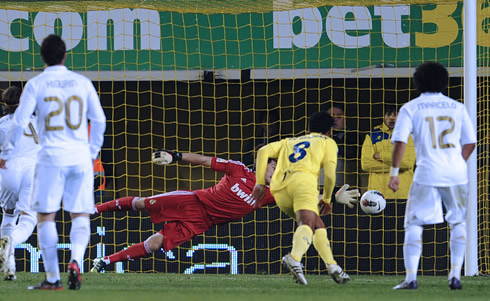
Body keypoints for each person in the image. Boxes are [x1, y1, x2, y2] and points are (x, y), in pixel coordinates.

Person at [91, 150, 359, 279]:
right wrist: (175, 156)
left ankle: (105, 261)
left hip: (203, 222)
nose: (276, 170)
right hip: (193, 202)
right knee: (140, 203)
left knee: (155, 244)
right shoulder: (239, 170)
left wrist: (334, 196)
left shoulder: (274, 192)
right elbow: (206, 161)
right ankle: (94, 208)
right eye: (274, 165)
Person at [0, 34, 106, 290]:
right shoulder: (82, 82)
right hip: (80, 157)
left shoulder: (36, 85)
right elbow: (99, 120)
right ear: (65, 56)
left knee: (46, 217)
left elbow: (19, 121)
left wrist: (6, 152)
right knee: (80, 214)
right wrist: (91, 153)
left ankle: (52, 278)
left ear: (42, 57)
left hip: (49, 159)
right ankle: (76, 261)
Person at [388, 62, 476, 290]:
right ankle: (455, 275)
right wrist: (456, 162)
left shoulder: (411, 107)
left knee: (415, 223)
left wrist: (394, 173)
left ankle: (410, 278)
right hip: (457, 172)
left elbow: (399, 141)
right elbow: (470, 142)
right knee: (458, 221)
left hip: (427, 172)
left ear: (417, 82)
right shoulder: (457, 107)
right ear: (444, 82)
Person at [251, 111, 359, 285]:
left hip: (279, 189)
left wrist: (260, 183)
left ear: (308, 129)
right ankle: (294, 257)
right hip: (303, 184)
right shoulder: (328, 142)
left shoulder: (290, 141)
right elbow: (330, 176)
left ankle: (333, 266)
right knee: (307, 224)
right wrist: (326, 198)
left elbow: (263, 151)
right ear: (329, 131)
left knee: (317, 225)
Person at [0, 86, 40, 281]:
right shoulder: (37, 122)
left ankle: (10, 267)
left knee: (8, 215)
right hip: (32, 172)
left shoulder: (1, 124)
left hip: (8, 171)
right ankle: (11, 241)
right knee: (28, 219)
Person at [361, 104, 416, 199]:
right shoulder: (371, 136)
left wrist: (381, 156)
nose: (392, 118)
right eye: (388, 114)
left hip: (403, 195)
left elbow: (408, 163)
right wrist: (398, 166)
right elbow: (365, 165)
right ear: (383, 116)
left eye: (395, 114)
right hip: (377, 196)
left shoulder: (409, 136)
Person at [327, 104, 359, 190]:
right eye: (331, 116)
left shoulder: (353, 136)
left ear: (345, 119)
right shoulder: (317, 137)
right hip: (321, 184)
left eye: (339, 117)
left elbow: (351, 153)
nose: (334, 119)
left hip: (345, 185)